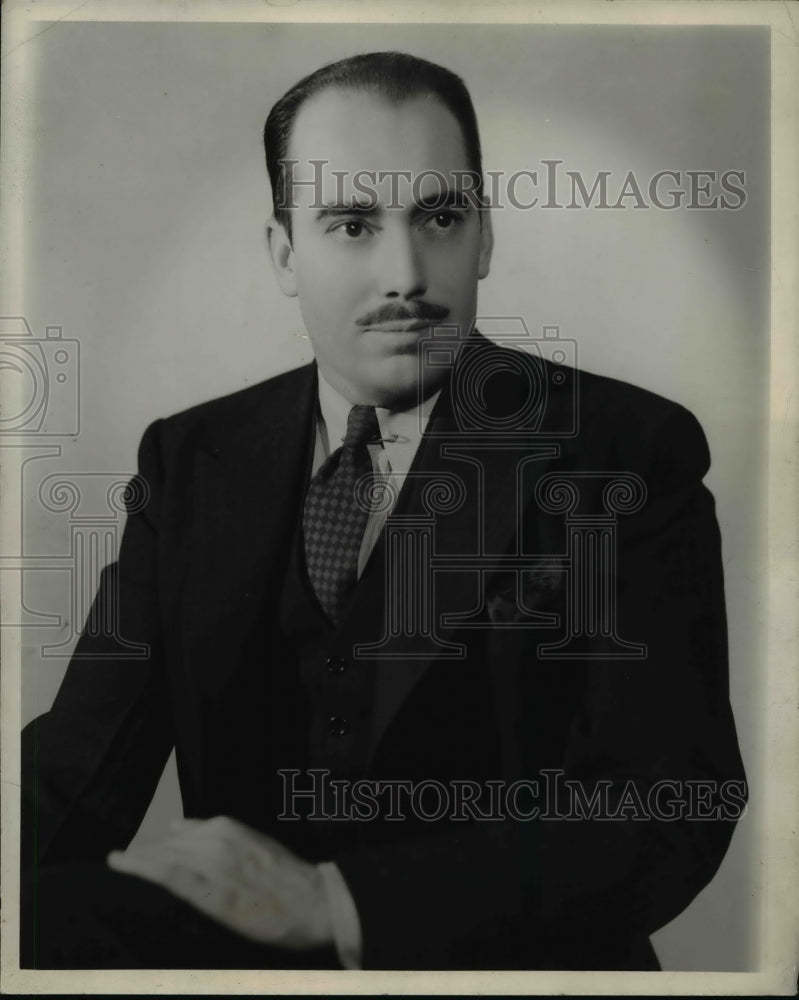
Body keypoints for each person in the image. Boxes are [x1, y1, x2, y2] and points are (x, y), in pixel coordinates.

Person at [21, 51, 747, 971]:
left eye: (439, 217)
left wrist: (338, 903)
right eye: (353, 223)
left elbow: (672, 804)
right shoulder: (191, 459)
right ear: (285, 254)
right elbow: (74, 776)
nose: (406, 273)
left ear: (483, 235)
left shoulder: (625, 449)